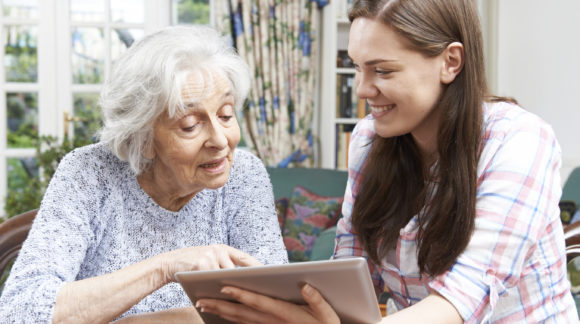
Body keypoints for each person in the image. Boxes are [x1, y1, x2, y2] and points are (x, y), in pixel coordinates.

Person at [194, 0, 579, 323]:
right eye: (358, 68)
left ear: (451, 62)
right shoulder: (368, 139)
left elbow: (462, 300)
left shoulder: (519, 141)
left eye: (382, 70)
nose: (362, 89)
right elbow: (349, 270)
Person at [0, 25, 288, 323]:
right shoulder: (88, 173)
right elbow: (20, 311)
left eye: (226, 114)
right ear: (144, 140)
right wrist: (165, 267)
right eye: (190, 125)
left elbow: (274, 305)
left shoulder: (244, 174)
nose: (220, 139)